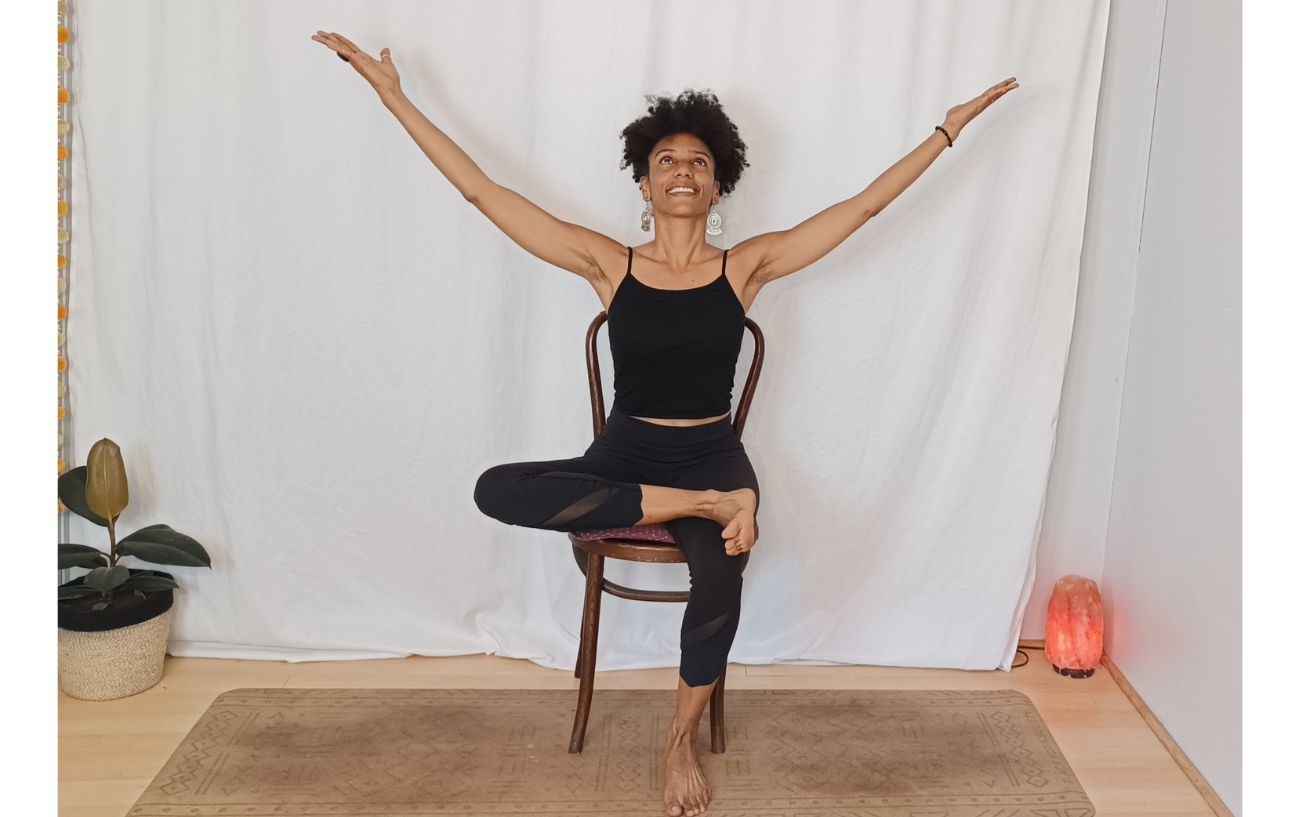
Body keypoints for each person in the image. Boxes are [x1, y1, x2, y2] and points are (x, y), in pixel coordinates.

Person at [311, 29, 1016, 817]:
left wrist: (947, 130)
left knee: (720, 573)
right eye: (668, 162)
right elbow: (484, 193)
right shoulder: (607, 264)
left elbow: (863, 207)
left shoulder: (744, 266)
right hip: (627, 451)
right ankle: (697, 506)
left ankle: (677, 740)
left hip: (711, 452)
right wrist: (393, 96)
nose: (684, 171)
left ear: (717, 187)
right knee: (494, 487)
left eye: (700, 163)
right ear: (644, 185)